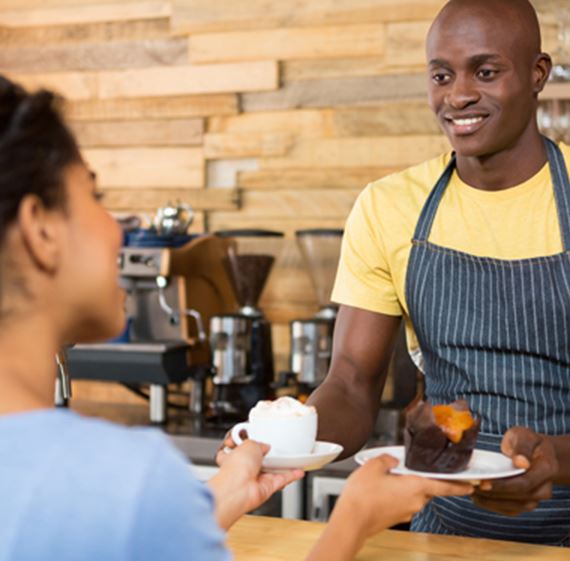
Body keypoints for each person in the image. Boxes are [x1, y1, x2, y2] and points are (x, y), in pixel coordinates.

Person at [0, 75, 471, 561]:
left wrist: (223, 495)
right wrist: (354, 518)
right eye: (94, 198)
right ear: (41, 231)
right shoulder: (129, 478)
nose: (121, 231)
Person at [305, 0, 570, 547]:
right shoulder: (389, 207)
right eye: (442, 75)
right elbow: (352, 381)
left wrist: (559, 459)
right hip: (444, 534)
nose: (458, 96)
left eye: (486, 72)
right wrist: (286, 436)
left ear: (538, 74)